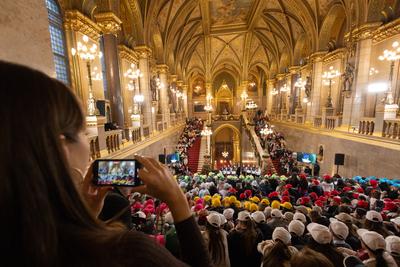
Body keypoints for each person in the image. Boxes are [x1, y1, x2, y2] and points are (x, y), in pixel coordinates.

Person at [0, 61, 211, 266]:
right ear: (61, 149)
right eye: (84, 132)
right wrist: (177, 200)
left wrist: (85, 216)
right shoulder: (125, 252)